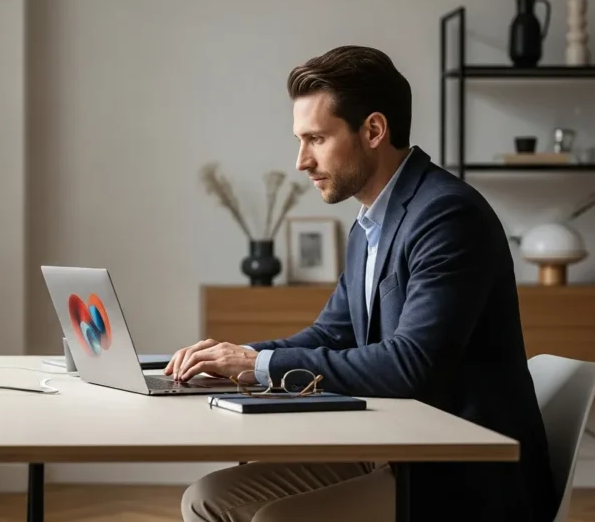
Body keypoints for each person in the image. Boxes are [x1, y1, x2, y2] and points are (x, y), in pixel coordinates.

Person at [168, 45, 559, 522]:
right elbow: (332, 334)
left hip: (459, 471)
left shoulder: (447, 215)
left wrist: (259, 365)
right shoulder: (369, 225)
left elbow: (411, 365)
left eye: (315, 139)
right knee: (206, 500)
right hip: (392, 446)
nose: (301, 161)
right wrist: (235, 361)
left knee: (276, 519)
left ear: (373, 130)